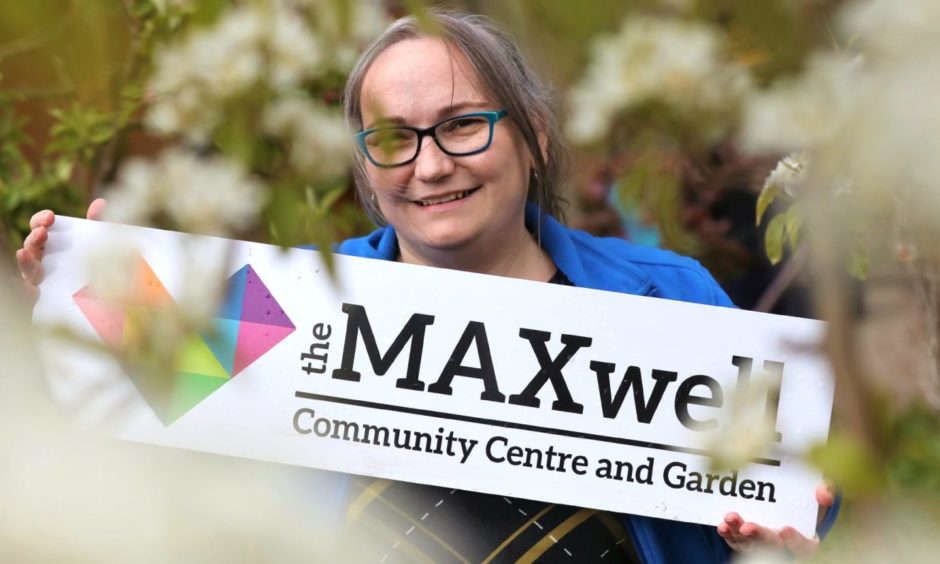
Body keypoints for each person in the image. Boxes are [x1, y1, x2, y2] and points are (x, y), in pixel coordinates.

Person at [17, 10, 836, 562]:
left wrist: (796, 526)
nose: (431, 165)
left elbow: (790, 494)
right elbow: (139, 459)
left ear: (536, 137)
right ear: (367, 168)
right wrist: (87, 295)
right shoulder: (298, 305)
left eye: (461, 125)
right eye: (393, 139)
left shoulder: (665, 302)